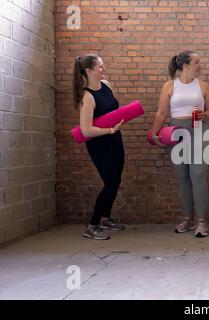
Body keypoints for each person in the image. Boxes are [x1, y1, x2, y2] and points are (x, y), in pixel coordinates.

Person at [150, 50, 209, 237]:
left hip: (199, 130)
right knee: (183, 177)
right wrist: (154, 133)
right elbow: (161, 113)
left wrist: (205, 115)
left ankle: (201, 221)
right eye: (197, 62)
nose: (200, 65)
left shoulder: (203, 86)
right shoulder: (169, 86)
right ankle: (187, 218)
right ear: (185, 65)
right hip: (177, 133)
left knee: (198, 173)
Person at [73, 54, 126, 240]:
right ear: (88, 71)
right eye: (100, 67)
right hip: (99, 143)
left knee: (116, 179)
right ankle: (92, 225)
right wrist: (110, 130)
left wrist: (119, 121)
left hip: (115, 137)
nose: (104, 69)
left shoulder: (107, 85)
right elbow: (86, 130)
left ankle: (105, 218)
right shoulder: (87, 97)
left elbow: (113, 110)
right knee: (110, 182)